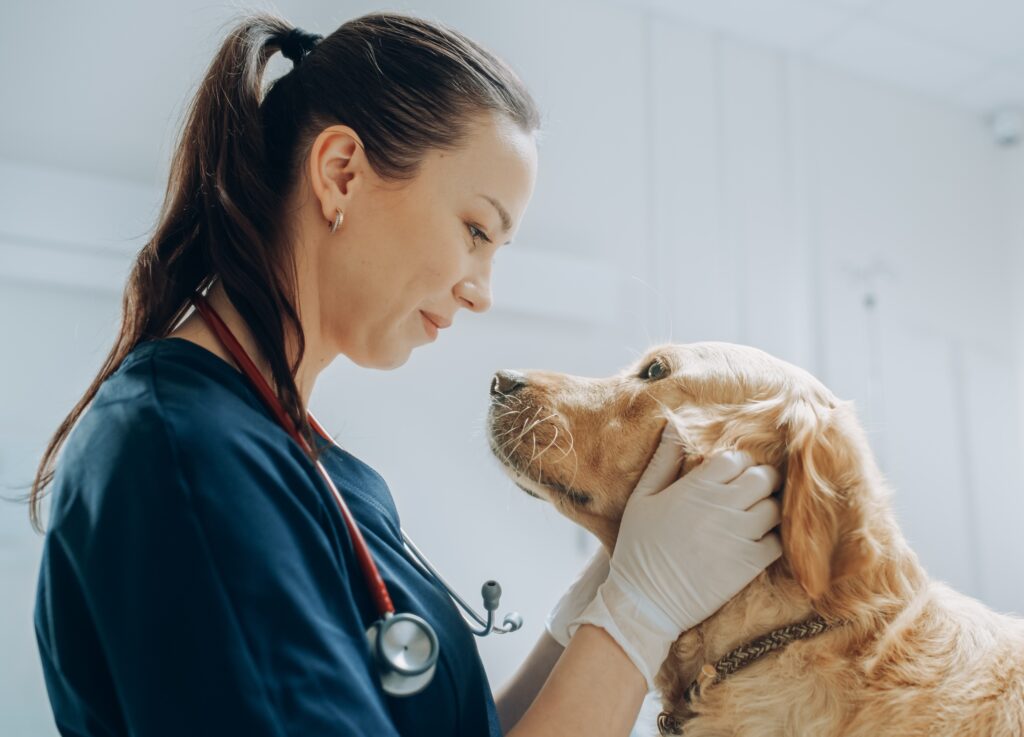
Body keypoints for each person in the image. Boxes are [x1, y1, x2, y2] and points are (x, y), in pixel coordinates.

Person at [28, 10, 782, 737]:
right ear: (342, 174)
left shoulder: (320, 470)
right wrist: (639, 614)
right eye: (476, 230)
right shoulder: (186, 457)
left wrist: (593, 610)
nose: (481, 290)